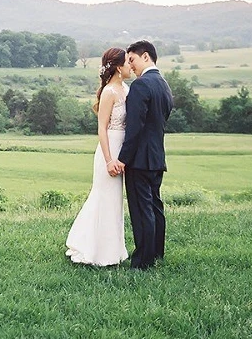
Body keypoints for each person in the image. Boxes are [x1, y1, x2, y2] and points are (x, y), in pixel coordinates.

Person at [65, 47, 131, 266]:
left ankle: (113, 250)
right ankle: (91, 249)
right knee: (104, 197)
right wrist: (109, 159)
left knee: (115, 202)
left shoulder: (126, 89)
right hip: (109, 148)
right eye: (128, 63)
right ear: (119, 67)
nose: (131, 66)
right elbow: (102, 128)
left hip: (124, 148)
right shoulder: (109, 92)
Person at [116, 40, 174, 269]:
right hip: (157, 156)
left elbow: (135, 127)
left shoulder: (141, 85)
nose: (131, 66)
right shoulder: (163, 84)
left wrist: (123, 158)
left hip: (140, 158)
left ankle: (143, 261)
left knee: (142, 210)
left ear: (146, 57)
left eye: (133, 60)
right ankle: (156, 252)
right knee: (155, 207)